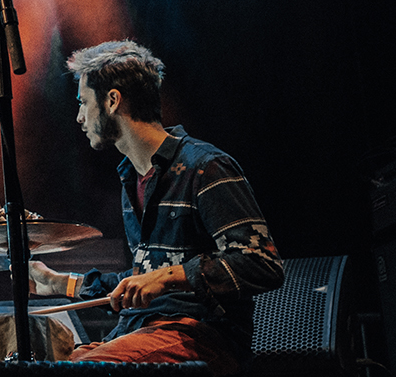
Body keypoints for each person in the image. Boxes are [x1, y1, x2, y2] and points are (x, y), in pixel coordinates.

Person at [30, 40, 283, 373]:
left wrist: (167, 277)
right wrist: (59, 283)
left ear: (112, 100)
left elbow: (263, 264)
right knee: (35, 364)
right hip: (139, 331)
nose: (79, 117)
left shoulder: (205, 167)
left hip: (202, 337)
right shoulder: (132, 178)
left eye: (83, 102)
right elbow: (142, 277)